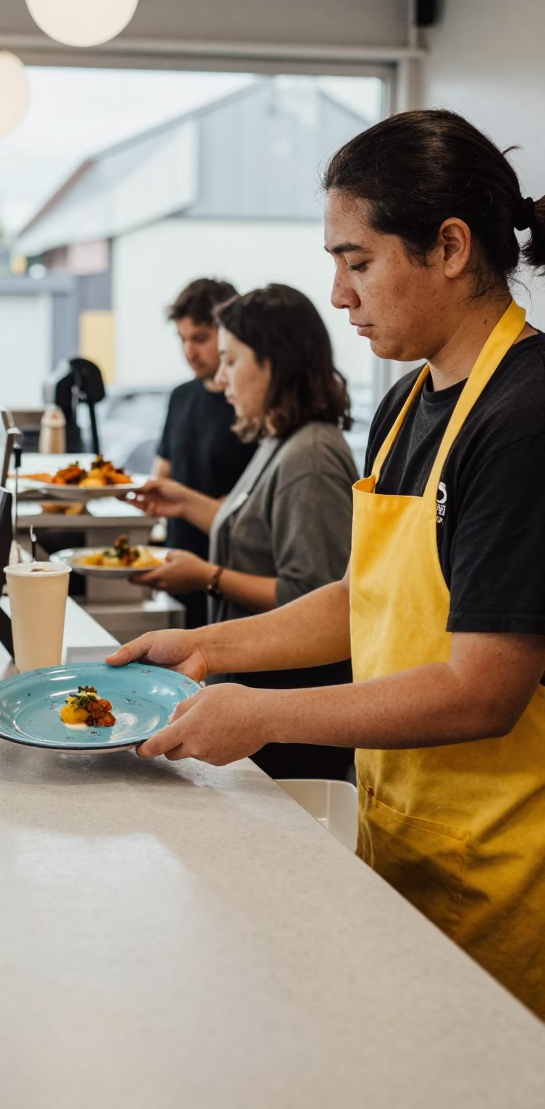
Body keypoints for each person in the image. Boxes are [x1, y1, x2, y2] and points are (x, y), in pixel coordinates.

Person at [108, 110, 545, 1020]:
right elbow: (362, 599)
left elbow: (483, 688)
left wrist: (260, 716)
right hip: (404, 832)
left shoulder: (524, 418)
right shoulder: (407, 404)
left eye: (358, 262)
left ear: (452, 247)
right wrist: (202, 653)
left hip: (506, 869)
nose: (340, 297)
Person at [133, 285, 357, 780]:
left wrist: (207, 577)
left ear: (272, 363)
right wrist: (184, 502)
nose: (220, 377)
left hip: (285, 719)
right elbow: (257, 535)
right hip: (255, 701)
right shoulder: (279, 439)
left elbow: (314, 595)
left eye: (231, 362)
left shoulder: (311, 457)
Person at [154, 278, 256, 628]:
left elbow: (245, 521)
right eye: (182, 339)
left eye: (199, 338)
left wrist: (181, 501)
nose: (189, 352)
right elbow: (162, 476)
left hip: (229, 579)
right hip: (175, 570)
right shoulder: (180, 397)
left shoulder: (250, 408)